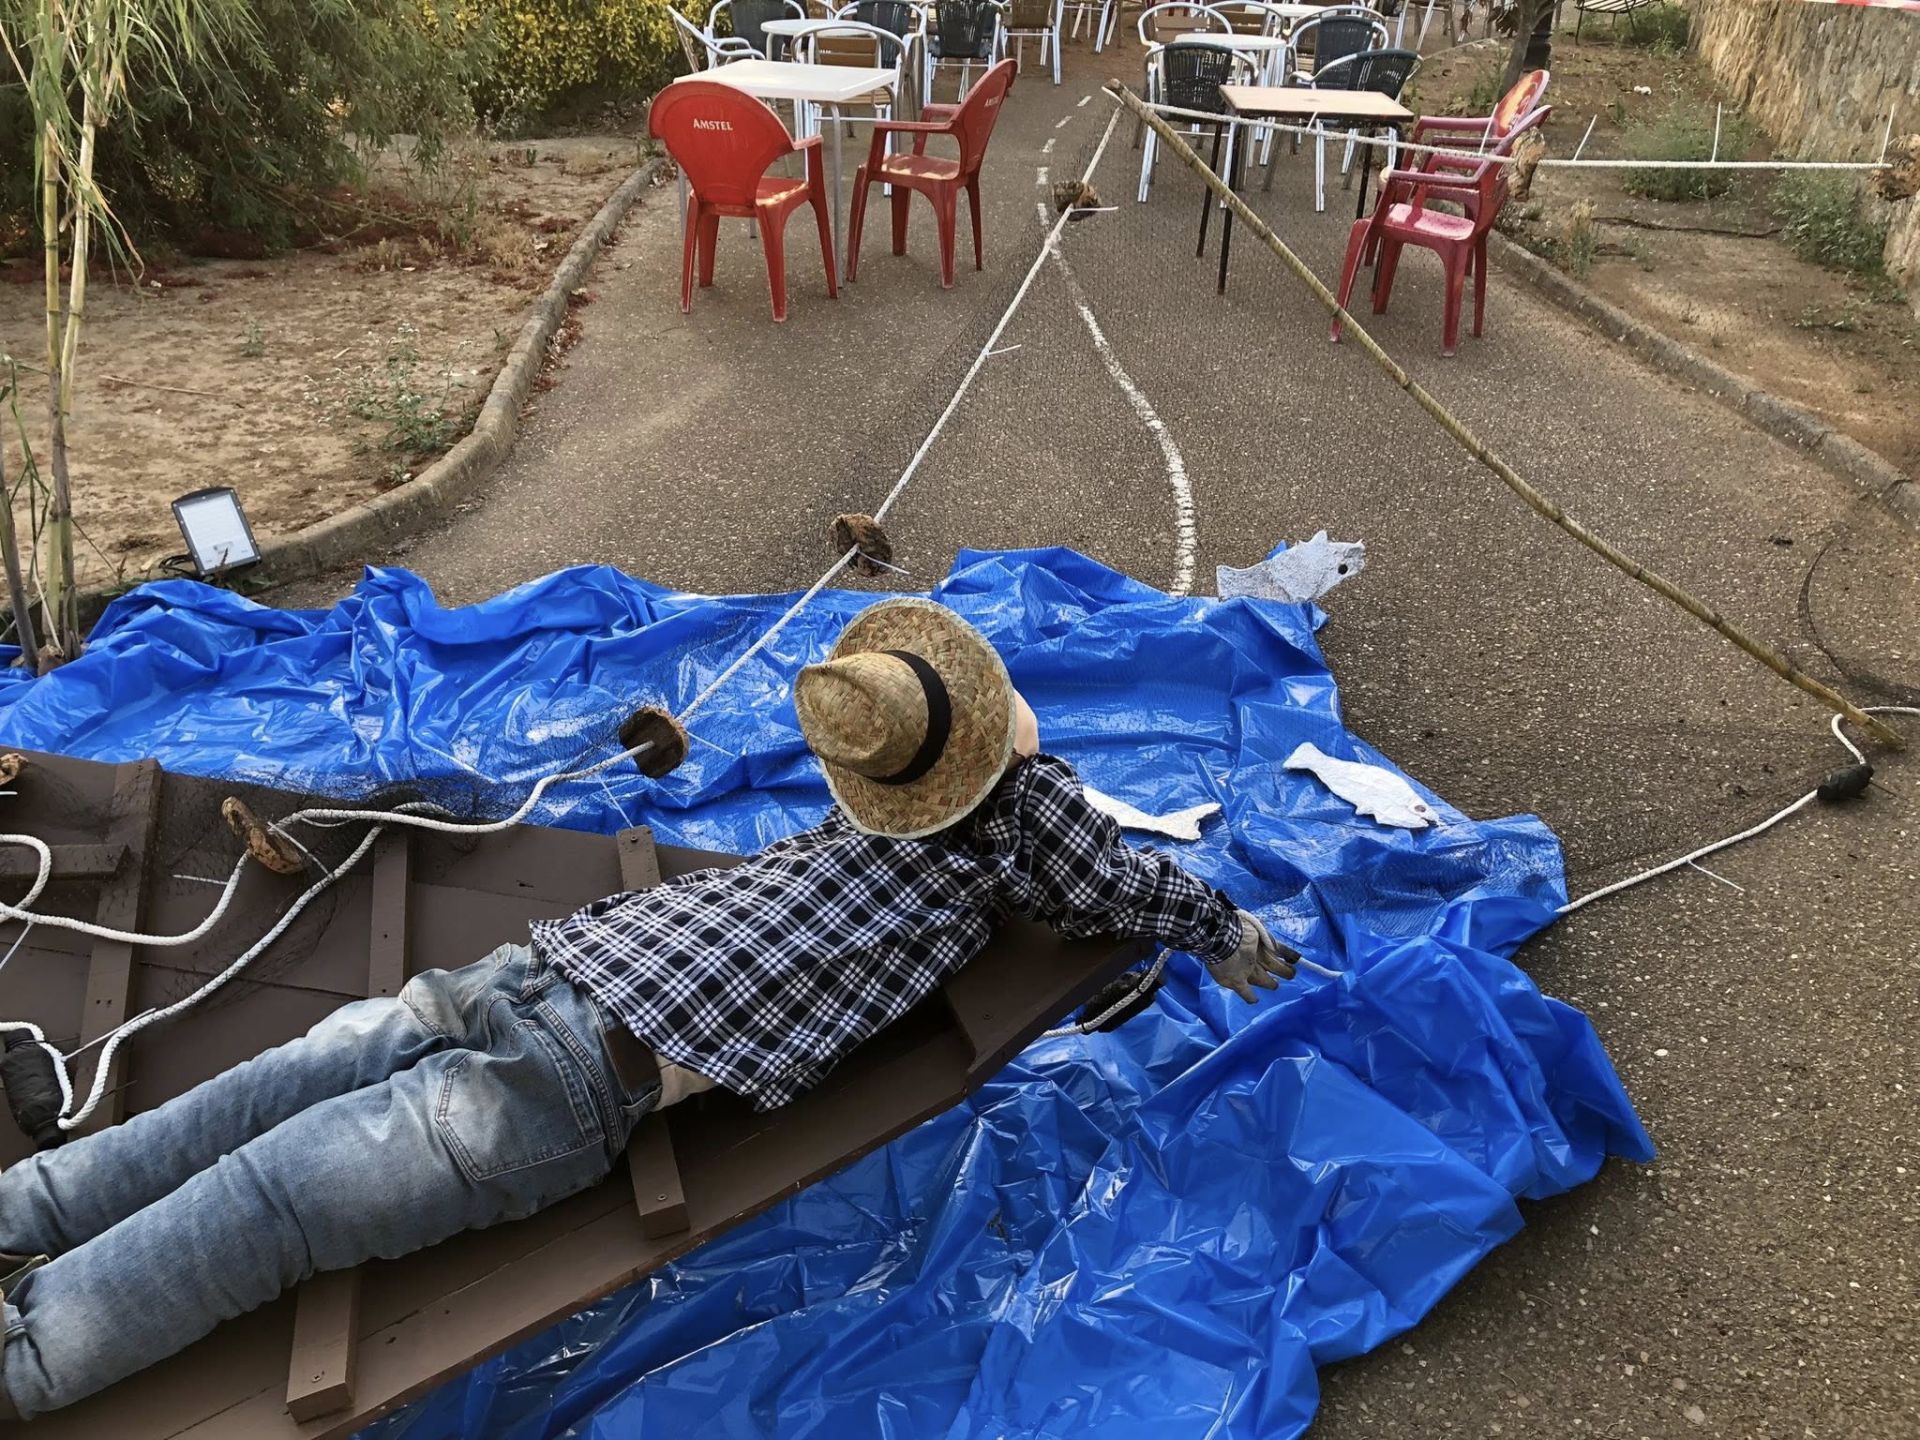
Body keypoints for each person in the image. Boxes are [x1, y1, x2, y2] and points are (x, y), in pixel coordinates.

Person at [0, 597, 1297, 1420]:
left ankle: (31, 1353)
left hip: (558, 1059)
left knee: (267, 1188)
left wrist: (1194, 921)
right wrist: (1225, 928)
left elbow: (1094, 872)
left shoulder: (964, 835)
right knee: (249, 1127)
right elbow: (1105, 869)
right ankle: (27, 1234)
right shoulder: (990, 823)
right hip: (530, 996)